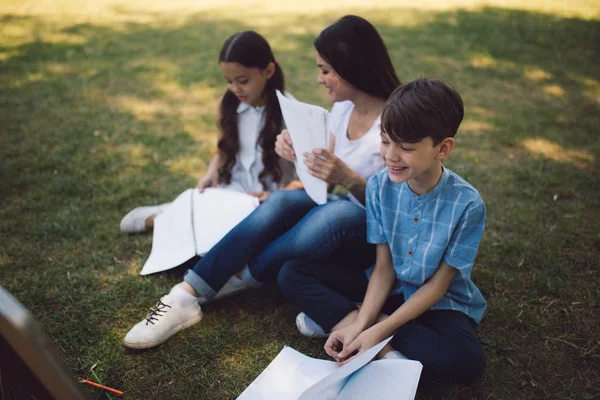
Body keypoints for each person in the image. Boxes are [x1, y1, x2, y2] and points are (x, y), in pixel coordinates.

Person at [123, 15, 401, 350]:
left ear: (353, 66)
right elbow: (322, 179)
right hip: (342, 214)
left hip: (377, 235)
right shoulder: (343, 108)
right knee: (282, 201)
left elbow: (404, 208)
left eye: (326, 70)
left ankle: (230, 278)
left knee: (334, 215)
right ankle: (183, 296)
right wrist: (297, 152)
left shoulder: (395, 122)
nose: (319, 79)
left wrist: (349, 179)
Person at [278, 77, 488, 384]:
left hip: (438, 303)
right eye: (385, 140)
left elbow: (438, 287)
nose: (390, 155)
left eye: (406, 147)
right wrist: (364, 322)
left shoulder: (467, 205)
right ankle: (366, 326)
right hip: (388, 289)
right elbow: (383, 267)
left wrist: (378, 328)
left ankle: (365, 325)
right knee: (291, 272)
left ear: (443, 148)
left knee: (466, 362)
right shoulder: (378, 188)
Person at [119, 30, 295, 234]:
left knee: (239, 227)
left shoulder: (290, 111)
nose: (235, 89)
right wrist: (211, 173)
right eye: (229, 81)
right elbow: (223, 151)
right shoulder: (229, 105)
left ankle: (170, 218)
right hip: (231, 190)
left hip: (265, 199)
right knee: (220, 219)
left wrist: (277, 198)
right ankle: (171, 216)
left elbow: (294, 176)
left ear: (268, 71)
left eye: (243, 81)